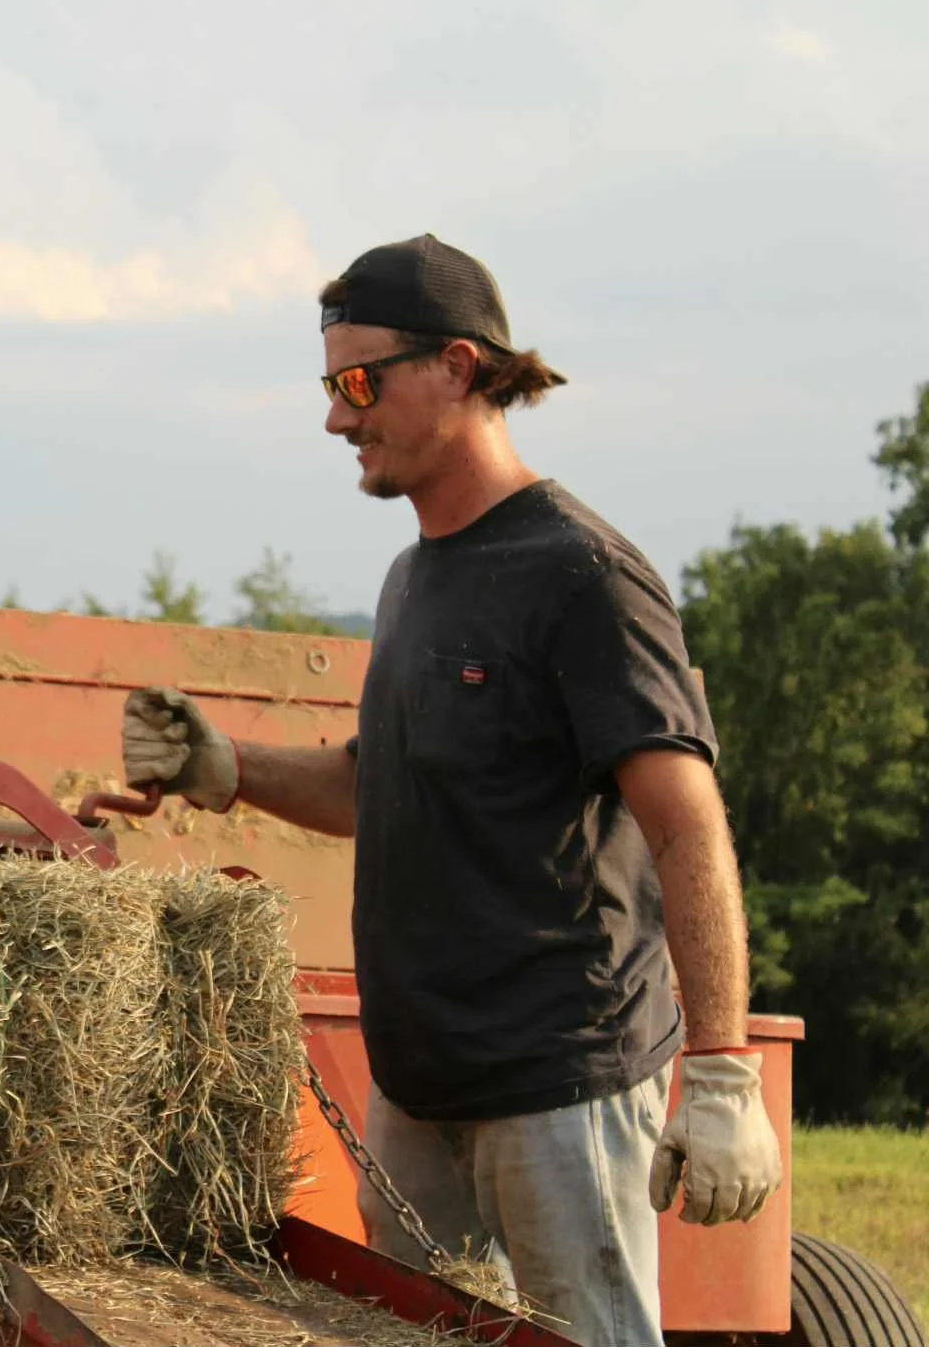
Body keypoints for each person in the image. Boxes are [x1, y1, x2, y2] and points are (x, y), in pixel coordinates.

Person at [121, 234, 782, 1344]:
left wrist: (720, 1073)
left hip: (560, 1089)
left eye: (359, 382)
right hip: (417, 1094)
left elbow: (686, 827)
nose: (338, 418)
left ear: (461, 368)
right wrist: (220, 769)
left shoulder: (581, 573)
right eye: (329, 387)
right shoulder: (410, 578)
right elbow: (377, 786)